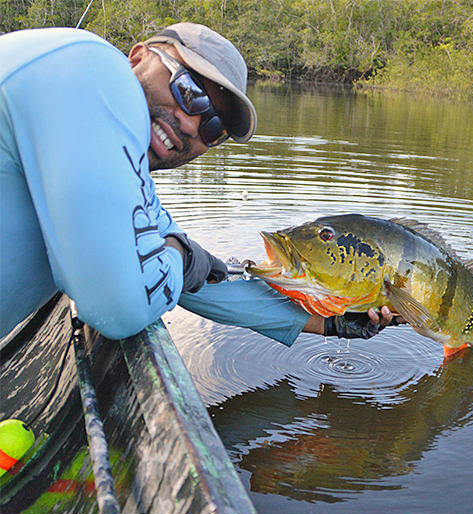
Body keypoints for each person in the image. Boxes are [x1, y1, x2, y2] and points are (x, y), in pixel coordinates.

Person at [0, 23, 397, 345]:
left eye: (213, 126)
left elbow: (190, 282)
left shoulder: (126, 180)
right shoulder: (89, 66)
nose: (191, 124)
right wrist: (178, 255)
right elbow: (122, 309)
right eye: (189, 91)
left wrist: (330, 323)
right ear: (137, 57)